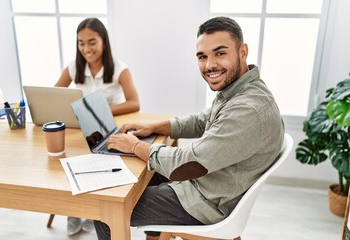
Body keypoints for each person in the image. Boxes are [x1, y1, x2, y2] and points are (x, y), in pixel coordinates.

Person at [94, 16, 285, 240]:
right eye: (202, 57)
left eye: (220, 53)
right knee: (132, 178)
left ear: (242, 52)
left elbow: (187, 165)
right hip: (211, 185)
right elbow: (202, 121)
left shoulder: (247, 110)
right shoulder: (240, 90)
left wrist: (135, 145)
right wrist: (153, 127)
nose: (209, 65)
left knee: (105, 211)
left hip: (206, 203)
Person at [55, 17, 140, 236]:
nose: (86, 48)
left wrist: (100, 109)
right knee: (67, 158)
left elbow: (134, 102)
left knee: (99, 159)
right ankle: (73, 209)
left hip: (107, 128)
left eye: (92, 42)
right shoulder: (74, 67)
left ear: (104, 41)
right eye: (81, 43)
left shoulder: (120, 68)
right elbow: (55, 95)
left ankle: (95, 208)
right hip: (81, 130)